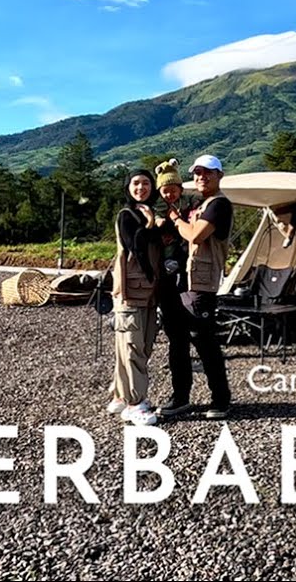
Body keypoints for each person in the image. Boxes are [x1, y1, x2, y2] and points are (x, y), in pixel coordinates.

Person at [159, 153, 233, 420]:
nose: (202, 177)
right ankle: (180, 396)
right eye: (197, 173)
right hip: (181, 282)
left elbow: (195, 234)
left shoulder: (218, 205)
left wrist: (176, 219)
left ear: (219, 175)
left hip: (202, 284)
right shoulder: (200, 205)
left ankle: (221, 399)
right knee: (177, 341)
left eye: (208, 173)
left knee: (205, 342)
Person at [106, 168, 162, 426]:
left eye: (146, 183)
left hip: (146, 291)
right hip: (131, 291)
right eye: (136, 183)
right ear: (128, 187)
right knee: (132, 348)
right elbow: (135, 244)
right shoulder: (127, 216)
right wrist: (151, 224)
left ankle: (120, 395)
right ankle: (134, 403)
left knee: (135, 346)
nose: (141, 188)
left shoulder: (145, 213)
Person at [151, 158, 196, 375]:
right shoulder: (158, 206)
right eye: (165, 191)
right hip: (165, 261)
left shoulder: (188, 205)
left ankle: (185, 347)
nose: (169, 195)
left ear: (180, 188)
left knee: (182, 306)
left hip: (181, 259)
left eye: (173, 190)